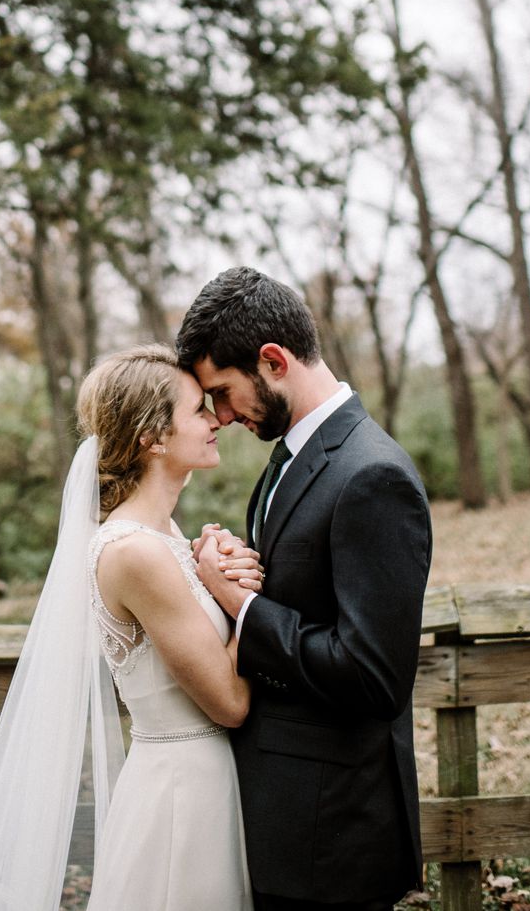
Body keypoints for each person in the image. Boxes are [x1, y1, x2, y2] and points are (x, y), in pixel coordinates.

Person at [0, 345, 258, 910]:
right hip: (181, 798)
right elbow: (231, 703)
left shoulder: (162, 536)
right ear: (152, 437)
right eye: (197, 410)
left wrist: (215, 570)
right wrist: (241, 601)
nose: (216, 420)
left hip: (203, 781)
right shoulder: (134, 552)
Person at [177, 268, 431, 911]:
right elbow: (298, 584)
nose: (223, 415)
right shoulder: (291, 456)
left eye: (224, 393)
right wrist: (235, 561)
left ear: (272, 360)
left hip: (331, 833)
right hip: (280, 814)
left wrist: (244, 605)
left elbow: (375, 677)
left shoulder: (373, 476)